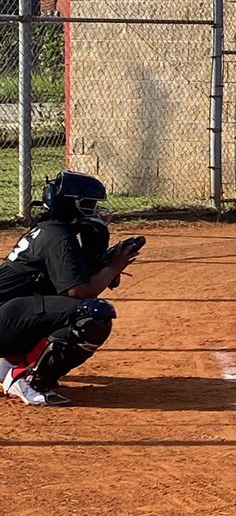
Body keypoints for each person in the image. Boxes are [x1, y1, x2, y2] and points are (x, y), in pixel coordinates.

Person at [0, 170, 144, 406]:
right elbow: (79, 292)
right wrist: (114, 268)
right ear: (70, 203)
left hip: (9, 315)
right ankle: (27, 381)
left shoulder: (52, 230)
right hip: (6, 318)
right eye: (88, 204)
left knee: (66, 309)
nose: (94, 210)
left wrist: (105, 262)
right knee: (93, 314)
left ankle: (11, 362)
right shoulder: (58, 238)